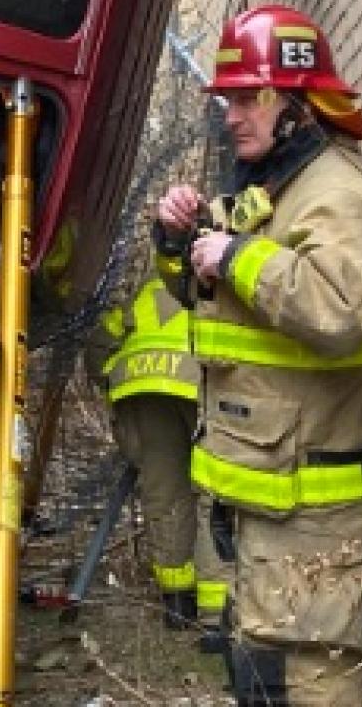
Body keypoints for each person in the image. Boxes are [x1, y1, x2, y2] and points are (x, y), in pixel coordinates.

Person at [151, 5, 362, 707]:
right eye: (227, 98)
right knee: (263, 675)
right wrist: (183, 242)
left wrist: (237, 256)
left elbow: (341, 309)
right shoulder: (271, 194)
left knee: (317, 681)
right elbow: (220, 309)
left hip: (320, 508)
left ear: (297, 102)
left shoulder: (340, 194)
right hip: (267, 498)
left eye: (248, 95)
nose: (231, 113)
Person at [93, 276, 231, 649]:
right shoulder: (215, 284)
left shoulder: (143, 289)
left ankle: (176, 604)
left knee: (163, 491)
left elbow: (100, 342)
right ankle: (216, 617)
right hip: (195, 385)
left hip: (140, 388)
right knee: (212, 493)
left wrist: (109, 384)